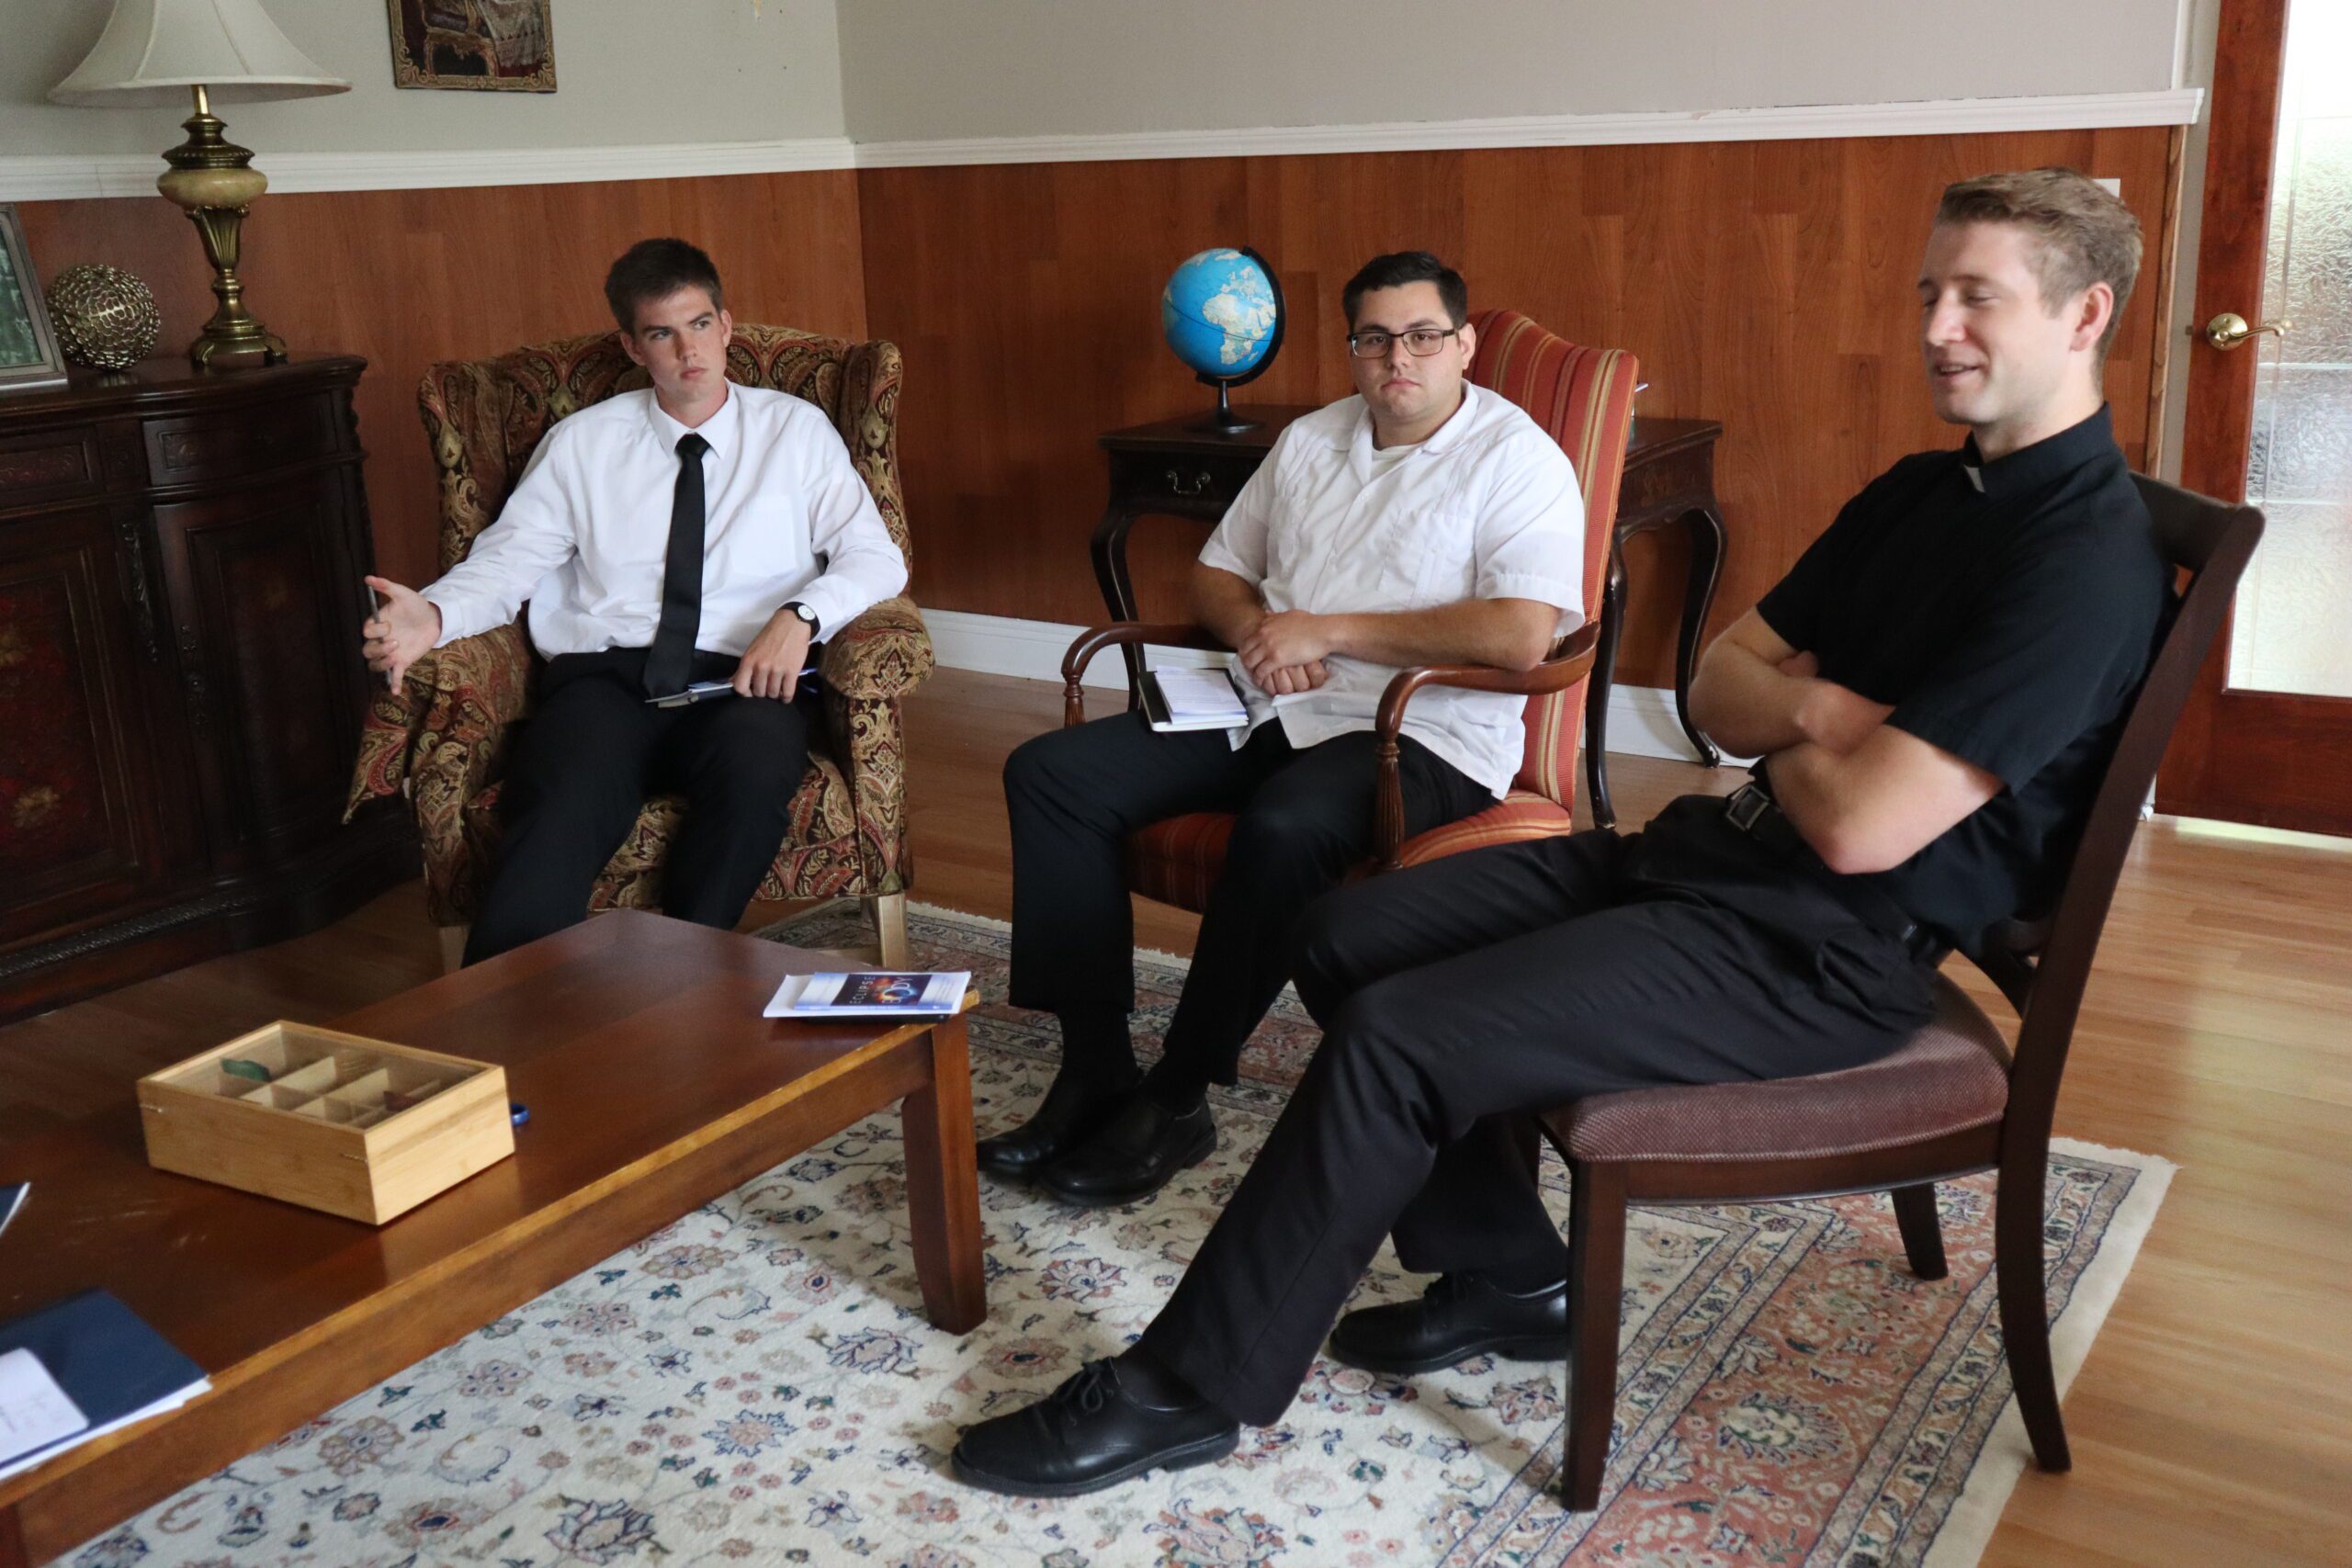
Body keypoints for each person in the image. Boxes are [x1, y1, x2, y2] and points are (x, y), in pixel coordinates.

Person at [951, 166, 2170, 1497]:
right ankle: (1510, 1276)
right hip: (1708, 858)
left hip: (1820, 946)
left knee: (1398, 1039)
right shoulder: (1919, 492)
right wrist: (1823, 709)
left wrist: (1787, 726)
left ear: (2084, 314)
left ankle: (1185, 1388)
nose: (1936, 326)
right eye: (1930, 291)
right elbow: (1713, 687)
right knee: (1344, 930)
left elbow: (1866, 827)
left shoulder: (2082, 561)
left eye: (1978, 297)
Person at [982, 252, 1588, 1209]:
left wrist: (1329, 631)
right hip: (1268, 703)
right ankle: (1094, 1067)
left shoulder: (1518, 459)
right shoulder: (1311, 439)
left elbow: (1519, 633)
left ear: (1464, 344)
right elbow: (1216, 574)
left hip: (1417, 733)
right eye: (1375, 338)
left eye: (1423, 336)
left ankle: (1177, 1095)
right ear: (1351, 349)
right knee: (1051, 775)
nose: (1399, 358)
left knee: (1286, 823)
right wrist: (1258, 637)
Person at [361, 239, 906, 964]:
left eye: (700, 324)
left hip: (742, 679)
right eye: (661, 333)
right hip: (607, 681)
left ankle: (682, 981)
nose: (688, 350)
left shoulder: (796, 432)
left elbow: (876, 556)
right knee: (557, 798)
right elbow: (507, 563)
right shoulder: (582, 445)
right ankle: (503, 1008)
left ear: (727, 325)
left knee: (752, 780)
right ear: (632, 345)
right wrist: (431, 615)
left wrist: (801, 616)